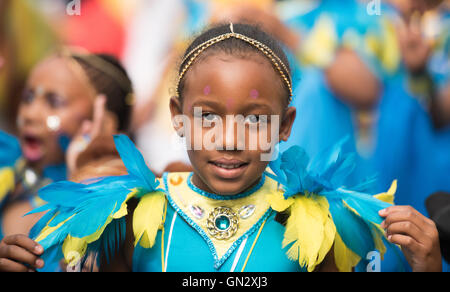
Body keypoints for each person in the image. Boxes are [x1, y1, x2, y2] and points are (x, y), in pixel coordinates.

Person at [0, 23, 442, 272]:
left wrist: (427, 268)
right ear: (177, 116)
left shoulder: (319, 227)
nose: (229, 138)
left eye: (253, 120)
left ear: (285, 124)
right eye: (207, 117)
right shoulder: (129, 217)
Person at [0, 50, 134, 270]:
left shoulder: (119, 206)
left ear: (101, 119)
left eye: (54, 102)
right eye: (28, 98)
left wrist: (84, 174)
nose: (30, 114)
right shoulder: (8, 165)